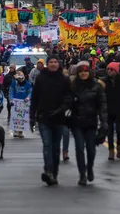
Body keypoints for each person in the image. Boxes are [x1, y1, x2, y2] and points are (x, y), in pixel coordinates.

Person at [30, 55, 71, 186]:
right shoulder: (41, 78)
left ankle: (55, 172)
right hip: (44, 117)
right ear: (48, 64)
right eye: (51, 62)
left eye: (55, 62)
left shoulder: (64, 80)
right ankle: (48, 171)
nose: (53, 64)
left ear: (58, 64)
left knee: (55, 147)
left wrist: (62, 110)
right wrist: (32, 117)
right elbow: (34, 98)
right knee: (47, 145)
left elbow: (68, 99)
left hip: (58, 118)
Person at [67, 62, 107, 186]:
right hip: (77, 122)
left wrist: (104, 123)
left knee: (91, 149)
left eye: (85, 71)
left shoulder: (97, 86)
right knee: (79, 148)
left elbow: (102, 106)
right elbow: (67, 102)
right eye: (80, 72)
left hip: (91, 123)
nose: (83, 74)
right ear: (78, 74)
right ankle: (82, 174)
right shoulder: (73, 87)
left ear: (89, 72)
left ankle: (89, 168)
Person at [103, 62, 120, 160]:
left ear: (116, 71)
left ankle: (119, 146)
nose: (109, 71)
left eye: (111, 69)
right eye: (108, 69)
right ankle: (111, 150)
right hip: (108, 109)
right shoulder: (105, 82)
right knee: (109, 131)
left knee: (119, 130)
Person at [9, 71, 32, 138]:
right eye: (18, 79)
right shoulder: (14, 83)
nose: (19, 80)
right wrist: (10, 100)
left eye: (20, 79)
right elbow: (11, 92)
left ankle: (20, 131)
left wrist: (28, 97)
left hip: (24, 102)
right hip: (15, 102)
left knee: (22, 117)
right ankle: (16, 130)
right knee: (15, 116)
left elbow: (30, 92)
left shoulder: (27, 84)